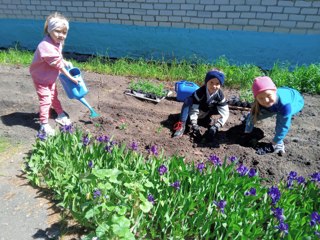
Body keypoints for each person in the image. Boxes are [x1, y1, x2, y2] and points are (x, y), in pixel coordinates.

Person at [30, 12, 79, 135]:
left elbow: (58, 58)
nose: (61, 35)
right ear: (50, 30)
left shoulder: (57, 42)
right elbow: (59, 65)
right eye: (58, 31)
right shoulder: (45, 46)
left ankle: (60, 114)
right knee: (46, 99)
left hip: (50, 77)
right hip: (41, 78)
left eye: (64, 32)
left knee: (53, 96)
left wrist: (64, 61)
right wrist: (71, 78)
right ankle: (43, 124)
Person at [244, 76, 304, 155]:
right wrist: (247, 131)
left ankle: (279, 144)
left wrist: (276, 140)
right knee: (257, 114)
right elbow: (253, 115)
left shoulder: (285, 104)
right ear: (256, 99)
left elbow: (283, 125)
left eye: (268, 96)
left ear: (275, 91)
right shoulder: (261, 101)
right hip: (276, 101)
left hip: (295, 100)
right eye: (261, 98)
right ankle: (271, 106)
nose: (266, 100)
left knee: (281, 117)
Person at [173, 69, 229, 141]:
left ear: (220, 85)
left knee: (220, 107)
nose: (214, 86)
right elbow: (194, 109)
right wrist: (194, 124)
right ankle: (182, 124)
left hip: (206, 110)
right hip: (194, 111)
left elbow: (225, 113)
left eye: (217, 84)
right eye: (211, 82)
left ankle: (205, 119)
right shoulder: (200, 92)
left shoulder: (220, 95)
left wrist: (217, 125)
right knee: (188, 101)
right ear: (206, 82)